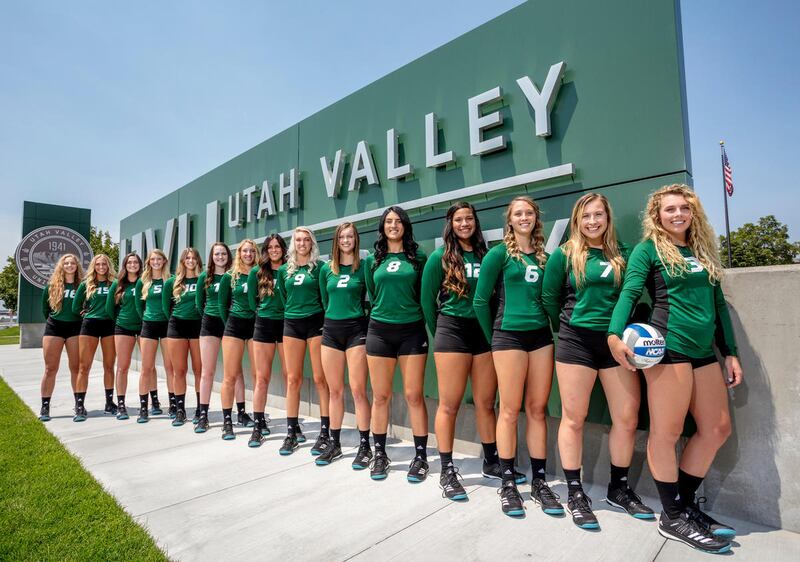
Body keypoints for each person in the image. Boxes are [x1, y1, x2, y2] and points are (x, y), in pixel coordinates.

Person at [607, 184, 741, 554]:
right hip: (668, 349)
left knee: (717, 428)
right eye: (670, 209)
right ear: (657, 215)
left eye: (684, 208)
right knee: (666, 433)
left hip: (703, 352)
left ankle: (682, 506)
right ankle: (672, 515)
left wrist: (729, 352)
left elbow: (718, 305)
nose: (678, 214)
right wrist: (614, 336)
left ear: (693, 212)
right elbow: (630, 294)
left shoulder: (701, 250)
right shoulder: (647, 250)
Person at [541, 193, 653, 528]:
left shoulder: (625, 253)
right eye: (586, 216)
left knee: (627, 417)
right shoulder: (565, 254)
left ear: (608, 217)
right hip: (576, 342)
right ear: (577, 220)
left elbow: (633, 294)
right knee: (574, 418)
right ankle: (575, 491)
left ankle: (618, 489)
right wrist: (567, 326)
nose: (593, 221)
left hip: (616, 343)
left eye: (598, 215)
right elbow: (550, 297)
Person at [420, 202, 522, 500]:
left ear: (476, 223)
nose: (465, 224)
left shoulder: (486, 254)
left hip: (483, 331)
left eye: (469, 219)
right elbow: (427, 303)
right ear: (450, 224)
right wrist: (441, 333)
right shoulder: (440, 257)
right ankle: (447, 469)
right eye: (458, 220)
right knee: (449, 404)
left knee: (486, 402)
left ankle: (492, 461)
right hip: (452, 332)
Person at [473, 196, 562, 518]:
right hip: (507, 336)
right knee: (509, 410)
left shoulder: (546, 258)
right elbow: (481, 301)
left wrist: (554, 327)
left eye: (529, 213)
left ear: (536, 219)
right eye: (518, 214)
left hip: (540, 338)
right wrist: (494, 340)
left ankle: (539, 481)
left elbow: (552, 299)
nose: (524, 217)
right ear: (509, 221)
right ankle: (508, 482)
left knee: (537, 409)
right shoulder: (498, 255)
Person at [363, 207, 429, 482]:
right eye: (388, 221)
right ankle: (379, 454)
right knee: (380, 396)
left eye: (398, 221)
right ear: (383, 226)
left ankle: (421, 457)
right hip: (379, 331)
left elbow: (424, 293)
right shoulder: (372, 260)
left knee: (414, 395)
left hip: (411, 330)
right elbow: (372, 292)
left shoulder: (419, 257)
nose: (393, 225)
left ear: (405, 225)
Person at [317, 223, 372, 467]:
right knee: (334, 391)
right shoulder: (327, 270)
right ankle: (335, 444)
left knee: (358, 390)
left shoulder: (363, 268)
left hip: (356, 330)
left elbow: (372, 294)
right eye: (342, 237)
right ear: (336, 241)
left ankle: (365, 447)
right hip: (330, 331)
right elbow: (324, 299)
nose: (346, 240)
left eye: (350, 236)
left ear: (356, 240)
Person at [275, 227, 330, 456]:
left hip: (315, 322)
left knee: (319, 378)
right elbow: (283, 298)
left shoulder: (320, 268)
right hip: (292, 324)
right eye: (298, 240)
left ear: (312, 243)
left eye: (307, 240)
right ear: (293, 243)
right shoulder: (284, 271)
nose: (302, 243)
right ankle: (291, 432)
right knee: (293, 379)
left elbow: (325, 298)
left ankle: (325, 432)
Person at [195, 242, 245, 433]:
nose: (220, 257)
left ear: (229, 256)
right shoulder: (204, 277)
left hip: (230, 324)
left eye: (223, 253)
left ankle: (241, 413)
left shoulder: (235, 276)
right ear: (212, 256)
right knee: (207, 371)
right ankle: (203, 416)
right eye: (217, 254)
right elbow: (200, 304)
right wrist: (210, 316)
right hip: (210, 324)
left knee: (235, 371)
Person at [245, 234, 288, 447]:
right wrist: (264, 313)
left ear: (283, 248)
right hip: (263, 325)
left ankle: (293, 424)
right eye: (270, 247)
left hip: (287, 325)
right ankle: (258, 425)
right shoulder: (257, 272)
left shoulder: (291, 269)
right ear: (266, 250)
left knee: (291, 377)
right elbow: (252, 302)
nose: (274, 250)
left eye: (277, 246)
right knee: (262, 378)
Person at [217, 239, 258, 439]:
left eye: (251, 251)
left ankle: (255, 419)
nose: (248, 254)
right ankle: (227, 421)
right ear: (239, 253)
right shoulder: (229, 277)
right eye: (245, 251)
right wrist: (230, 324)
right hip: (234, 326)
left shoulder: (260, 274)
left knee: (258, 376)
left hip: (255, 327)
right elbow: (221, 306)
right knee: (230, 376)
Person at [39, 254, 84, 422]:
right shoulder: (52, 286)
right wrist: (55, 319)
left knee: (76, 368)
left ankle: (79, 405)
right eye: (67, 263)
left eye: (73, 263)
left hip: (76, 328)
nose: (70, 265)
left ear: (77, 266)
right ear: (61, 266)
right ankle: (45, 406)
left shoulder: (83, 286)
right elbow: (45, 309)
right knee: (50, 369)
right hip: (54, 327)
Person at [71, 254, 117, 421]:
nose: (101, 267)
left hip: (109, 325)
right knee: (84, 367)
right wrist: (86, 314)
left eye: (104, 264)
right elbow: (76, 306)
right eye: (98, 264)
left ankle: (109, 403)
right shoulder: (86, 285)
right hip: (90, 325)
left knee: (109, 366)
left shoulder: (114, 284)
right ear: (94, 266)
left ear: (108, 266)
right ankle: (80, 405)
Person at [162, 247, 203, 426]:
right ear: (182, 261)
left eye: (194, 258)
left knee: (199, 370)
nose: (191, 260)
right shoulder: (172, 282)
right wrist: (175, 319)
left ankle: (201, 409)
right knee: (179, 371)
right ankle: (180, 410)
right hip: (177, 326)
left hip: (198, 326)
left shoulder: (203, 280)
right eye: (187, 258)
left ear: (198, 261)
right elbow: (165, 307)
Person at [135, 249, 173, 423]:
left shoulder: (170, 280)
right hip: (149, 326)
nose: (156, 262)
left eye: (159, 259)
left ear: (164, 261)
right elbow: (138, 306)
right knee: (147, 368)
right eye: (153, 259)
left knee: (170, 367)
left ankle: (173, 404)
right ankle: (145, 407)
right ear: (149, 262)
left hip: (167, 326)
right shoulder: (143, 281)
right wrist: (146, 319)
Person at [106, 252, 143, 421]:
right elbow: (109, 308)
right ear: (125, 265)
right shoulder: (118, 284)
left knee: (148, 367)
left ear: (140, 264)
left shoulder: (145, 281)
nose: (133, 265)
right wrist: (121, 320)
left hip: (143, 327)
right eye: (130, 262)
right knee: (122, 367)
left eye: (135, 262)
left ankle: (153, 402)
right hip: (123, 327)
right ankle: (121, 404)